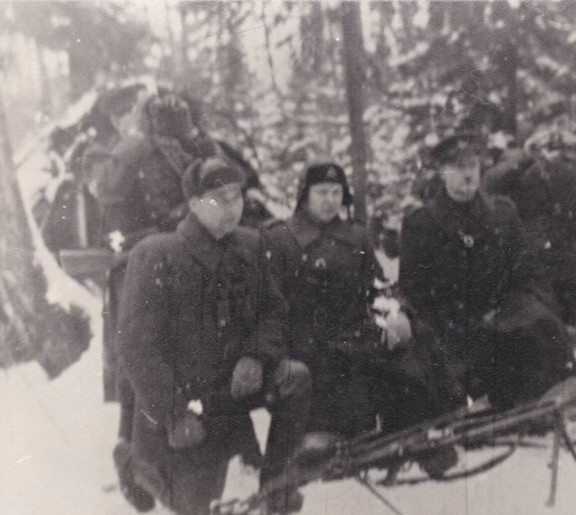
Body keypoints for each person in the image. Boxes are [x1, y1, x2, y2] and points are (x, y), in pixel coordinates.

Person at [97, 90, 270, 511]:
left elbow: (240, 186)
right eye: (166, 119)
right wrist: (165, 225)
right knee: (140, 359)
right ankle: (133, 456)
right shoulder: (131, 156)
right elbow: (114, 219)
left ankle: (231, 451)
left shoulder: (208, 147)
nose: (177, 125)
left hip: (203, 248)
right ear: (150, 121)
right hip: (145, 260)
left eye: (182, 118)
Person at [117, 156, 311, 514]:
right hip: (186, 396)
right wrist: (174, 412)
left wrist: (256, 355)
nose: (231, 208)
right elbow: (135, 346)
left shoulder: (251, 246)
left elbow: (274, 311)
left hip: (234, 383)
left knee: (294, 378)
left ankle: (275, 486)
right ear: (193, 204)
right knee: (195, 506)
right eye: (218, 199)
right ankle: (135, 462)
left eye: (236, 197)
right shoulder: (158, 254)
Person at [399, 134, 576, 414]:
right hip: (453, 332)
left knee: (538, 325)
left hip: (502, 321)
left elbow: (527, 273)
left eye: (472, 165)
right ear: (442, 172)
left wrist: (508, 311)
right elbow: (416, 293)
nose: (468, 174)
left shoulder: (502, 213)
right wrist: (459, 324)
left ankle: (558, 398)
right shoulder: (421, 224)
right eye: (458, 167)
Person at [260, 163, 439, 442]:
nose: (330, 200)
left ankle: (416, 432)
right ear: (304, 195)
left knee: (413, 345)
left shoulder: (356, 236)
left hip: (355, 332)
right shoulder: (280, 238)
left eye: (336, 192)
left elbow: (378, 286)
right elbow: (270, 303)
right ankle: (326, 437)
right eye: (321, 193)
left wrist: (394, 314)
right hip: (306, 342)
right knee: (337, 372)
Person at [482, 133, 576, 326]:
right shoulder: (517, 160)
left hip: (567, 270)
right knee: (535, 337)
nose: (553, 137)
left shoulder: (572, 162)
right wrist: (527, 156)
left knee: (564, 337)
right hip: (530, 271)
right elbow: (489, 186)